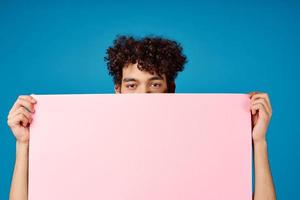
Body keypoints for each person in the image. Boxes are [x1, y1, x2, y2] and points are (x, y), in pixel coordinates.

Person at [7, 35, 276, 200]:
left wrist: (259, 142)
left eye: (155, 84)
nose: (143, 94)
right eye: (132, 85)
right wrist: (24, 145)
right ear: (118, 90)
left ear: (171, 90)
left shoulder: (201, 147)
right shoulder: (88, 145)